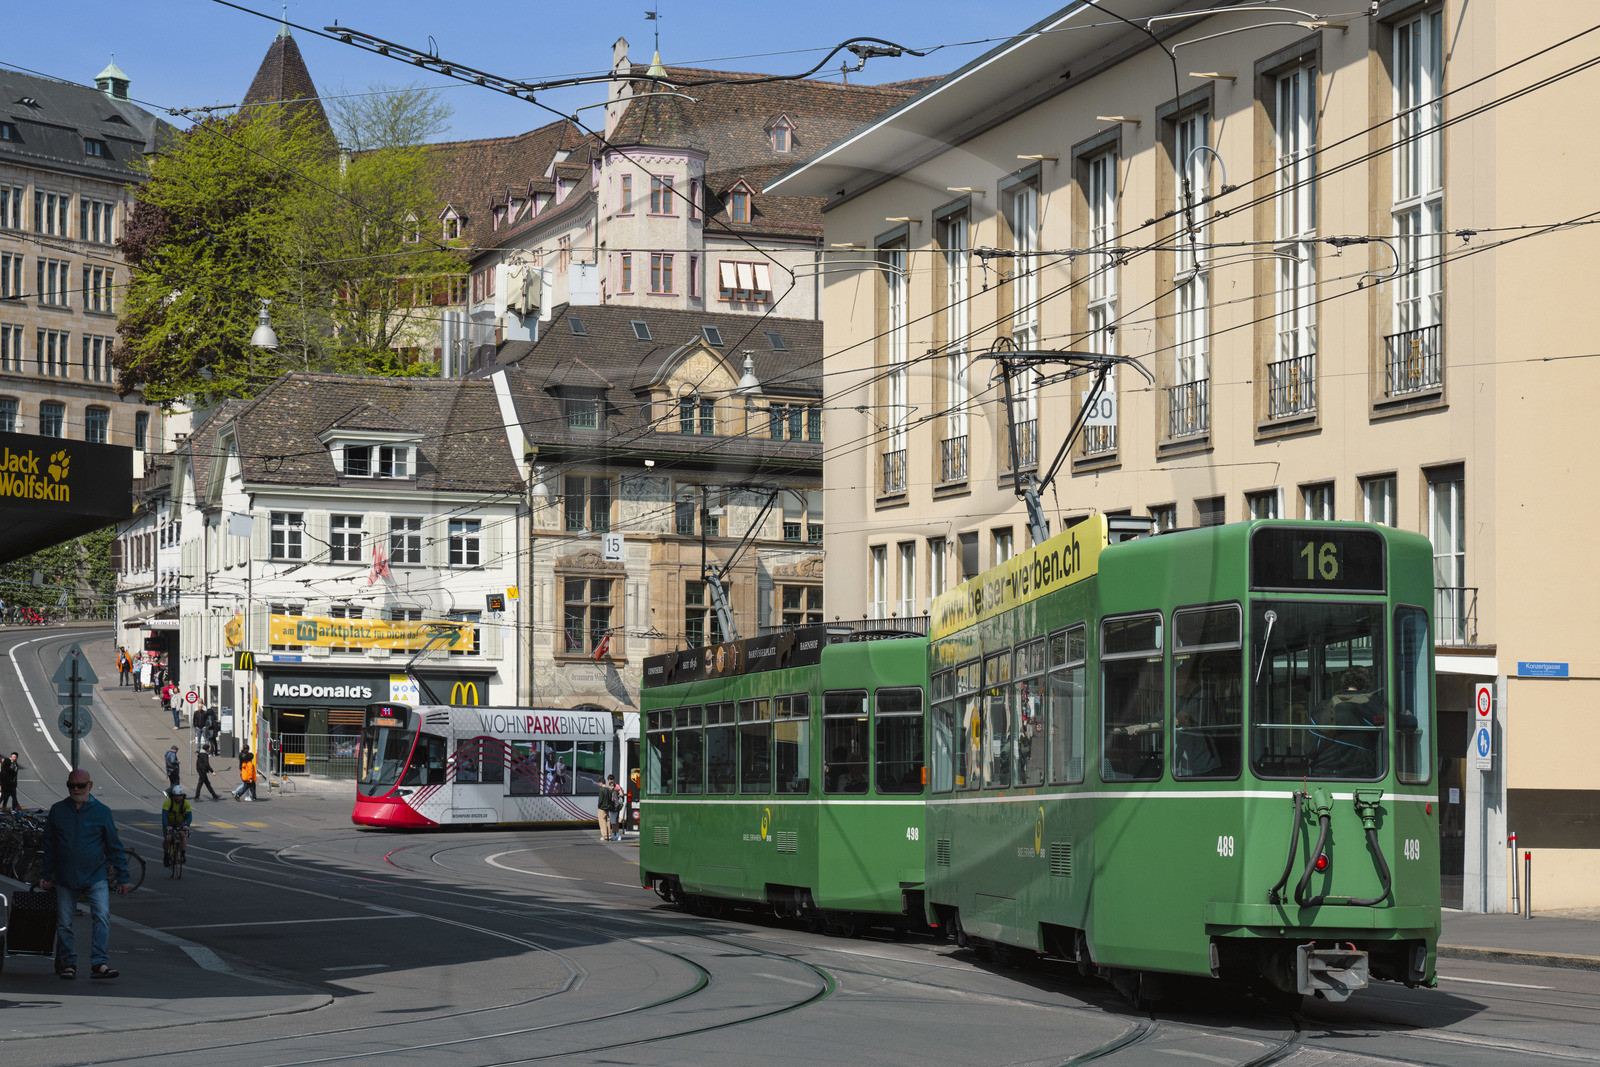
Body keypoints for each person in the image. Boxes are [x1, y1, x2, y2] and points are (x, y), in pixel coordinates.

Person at [39, 768, 132, 980]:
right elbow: (50, 845)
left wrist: (123, 877)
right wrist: (45, 874)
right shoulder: (58, 810)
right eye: (71, 785)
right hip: (65, 877)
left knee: (102, 916)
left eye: (80, 785)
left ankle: (99, 963)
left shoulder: (102, 812)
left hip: (95, 877)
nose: (76, 789)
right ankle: (68, 964)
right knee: (64, 923)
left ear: (90, 786)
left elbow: (114, 846)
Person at [161, 784, 193, 867]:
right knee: (168, 838)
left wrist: (187, 825)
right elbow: (164, 814)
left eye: (180, 795)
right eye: (176, 796)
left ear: (183, 795)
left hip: (180, 822)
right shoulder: (168, 802)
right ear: (173, 795)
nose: (178, 797)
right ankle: (166, 855)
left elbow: (189, 815)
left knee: (182, 835)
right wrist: (166, 825)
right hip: (169, 822)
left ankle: (182, 855)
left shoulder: (185, 803)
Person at [597, 775, 617, 842]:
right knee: (608, 822)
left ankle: (605, 836)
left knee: (602, 822)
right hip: (607, 808)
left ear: (600, 783)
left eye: (599, 783)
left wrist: (599, 806)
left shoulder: (601, 790)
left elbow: (600, 800)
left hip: (602, 808)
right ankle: (609, 836)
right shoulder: (609, 790)